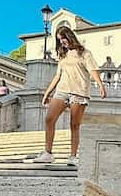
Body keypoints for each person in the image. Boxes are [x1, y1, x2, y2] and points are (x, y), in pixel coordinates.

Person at [33, 24, 107, 167]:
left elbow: (93, 70)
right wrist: (47, 93)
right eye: (59, 40)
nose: (62, 42)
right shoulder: (63, 55)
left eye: (63, 38)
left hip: (79, 91)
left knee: (74, 124)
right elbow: (57, 76)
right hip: (62, 90)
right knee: (49, 119)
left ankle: (73, 156)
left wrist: (100, 85)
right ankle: (48, 153)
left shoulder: (84, 53)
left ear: (70, 36)